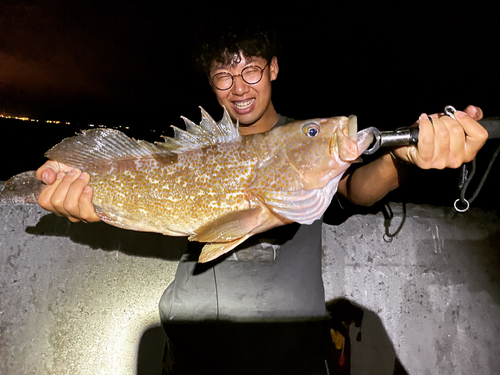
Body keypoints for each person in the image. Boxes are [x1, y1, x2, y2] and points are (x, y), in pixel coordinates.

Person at [36, 25, 487, 374]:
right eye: (223, 76)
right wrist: (83, 203)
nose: (239, 87)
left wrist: (404, 159)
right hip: (191, 354)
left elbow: (356, 188)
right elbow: (139, 192)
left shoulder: (298, 147)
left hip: (289, 357)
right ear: (211, 84)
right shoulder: (205, 148)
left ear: (272, 67)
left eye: (250, 69)